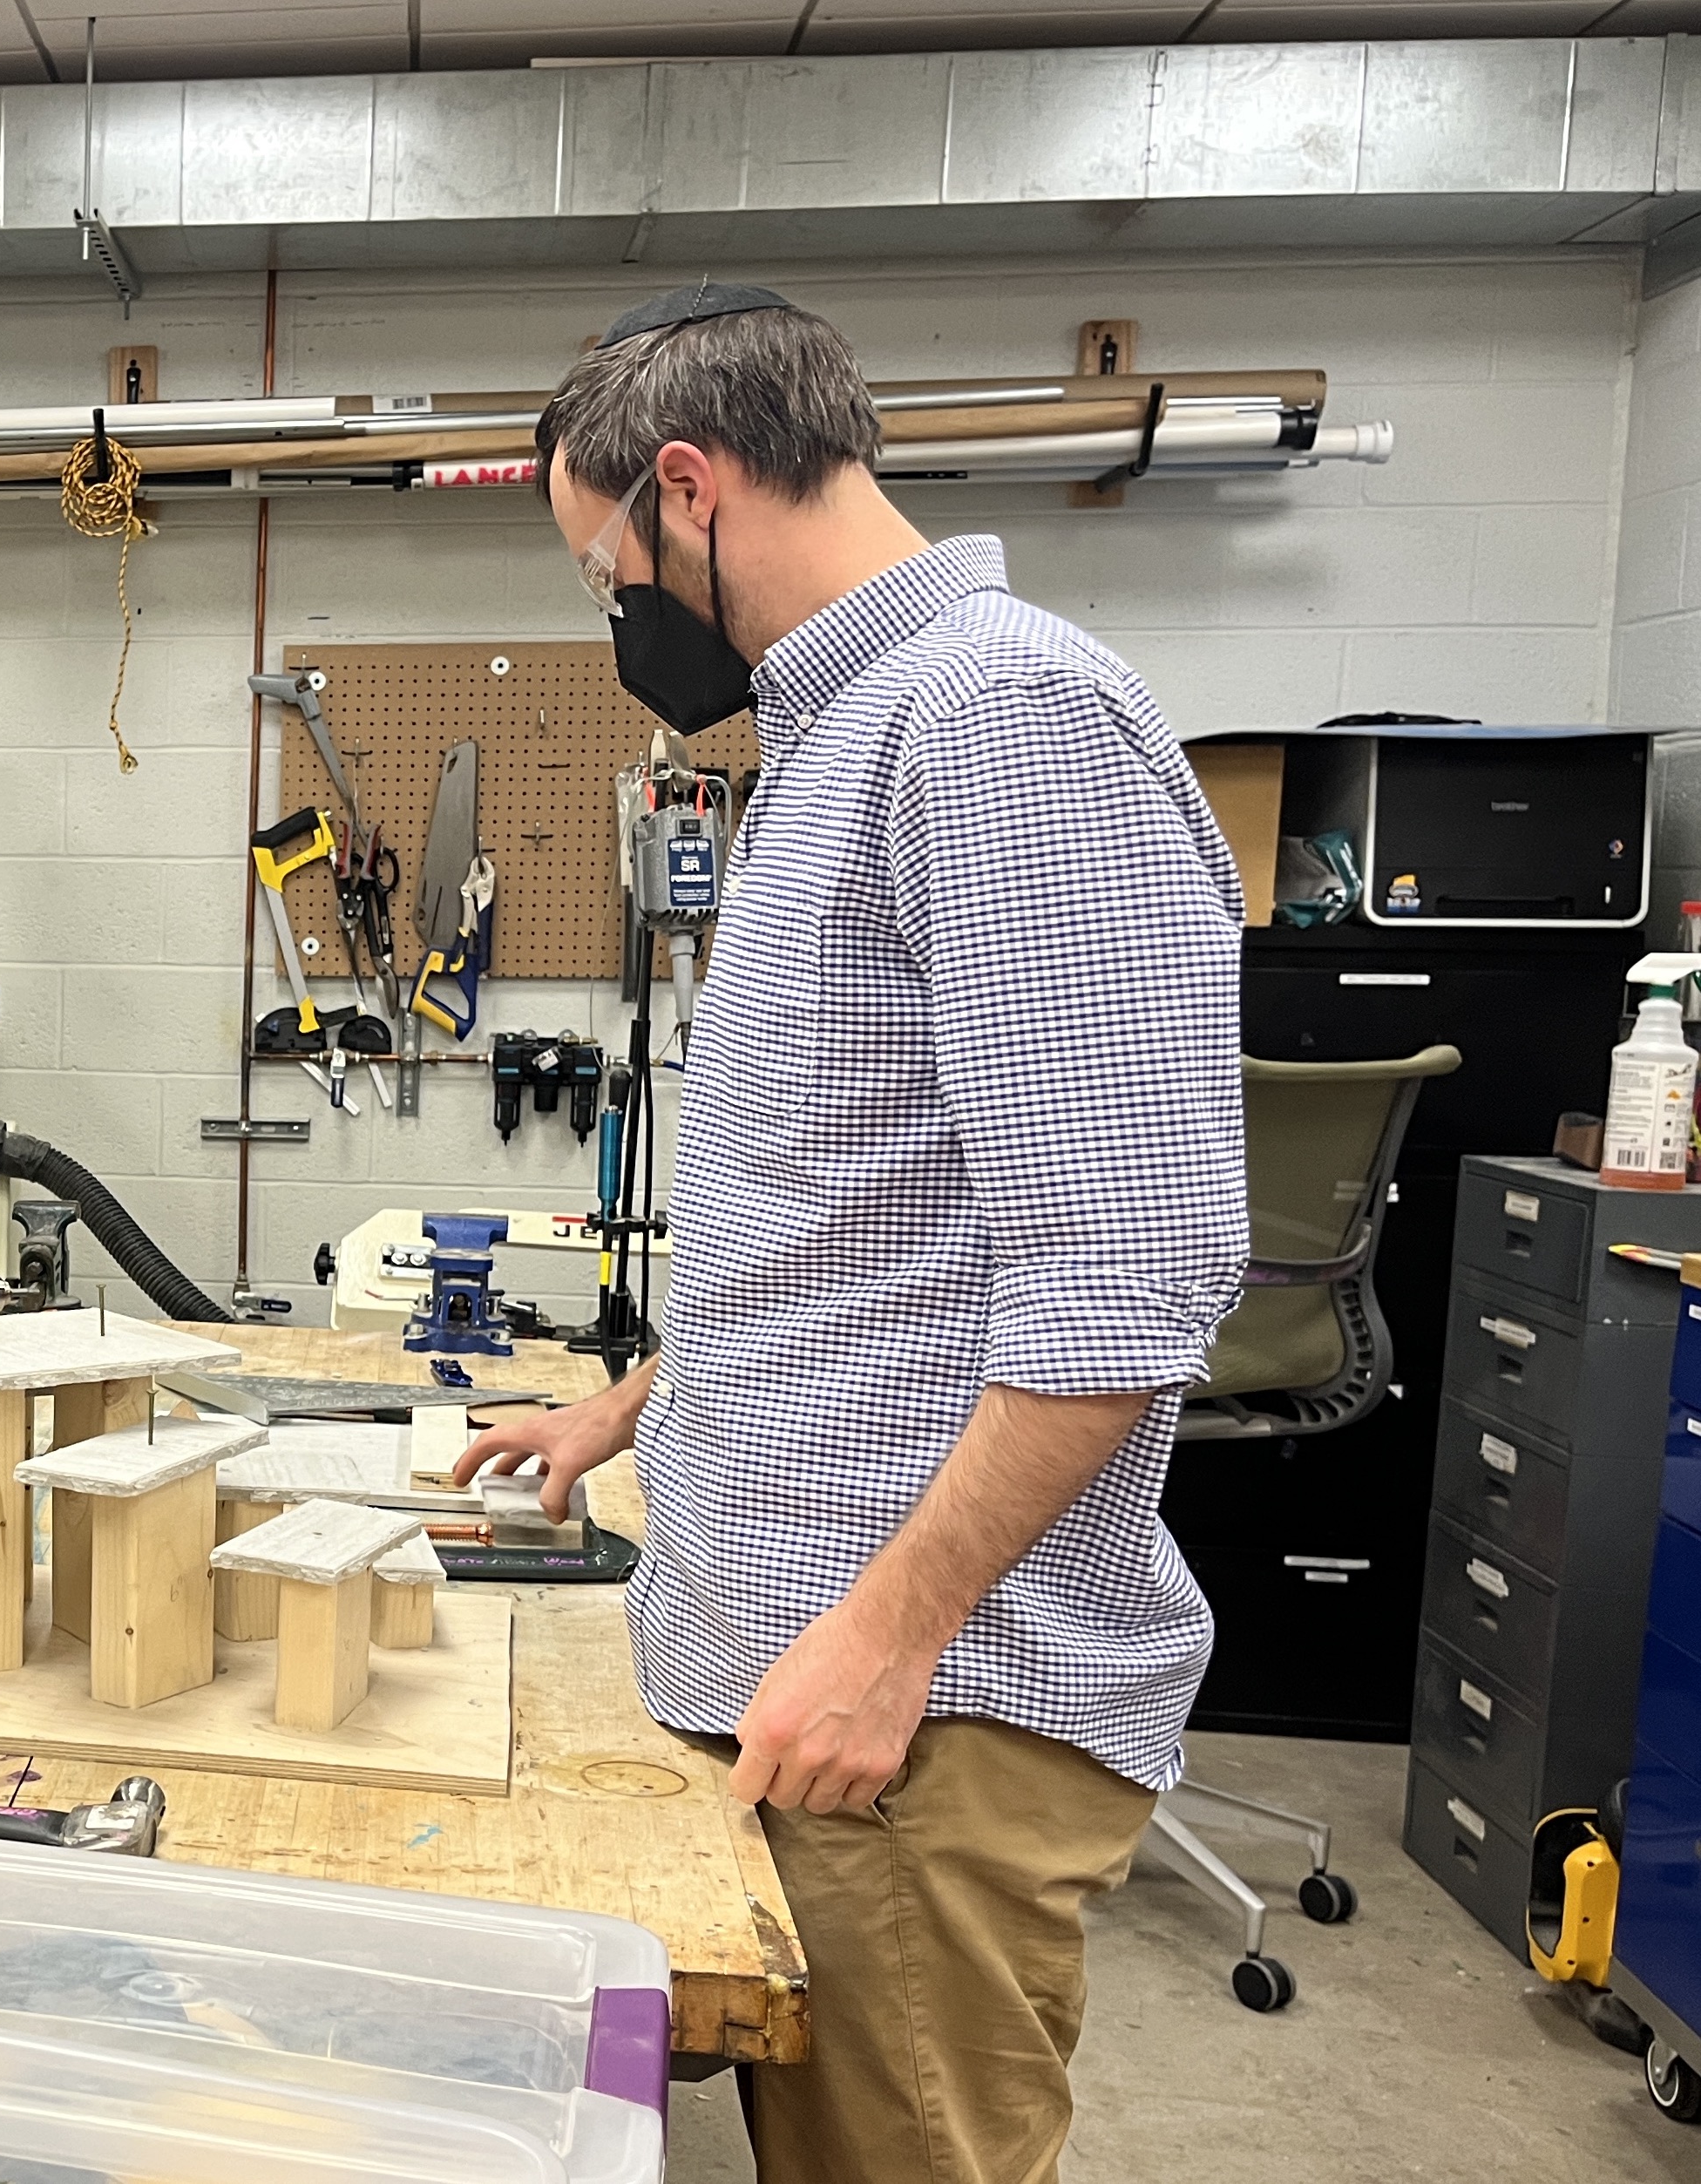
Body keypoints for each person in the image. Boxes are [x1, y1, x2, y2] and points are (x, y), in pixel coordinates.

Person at [457, 285, 1244, 2184]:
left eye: (605, 573)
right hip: (802, 1664)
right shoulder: (840, 728)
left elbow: (1128, 1274)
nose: (616, 619)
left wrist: (888, 1640)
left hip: (916, 1715)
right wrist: (632, 1406)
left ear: (688, 484)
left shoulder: (997, 718)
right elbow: (850, 1206)